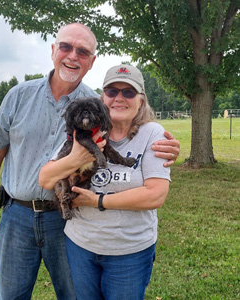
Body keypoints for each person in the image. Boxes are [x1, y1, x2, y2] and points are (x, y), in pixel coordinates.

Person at [0, 22, 179, 300]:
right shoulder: (18, 96)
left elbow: (131, 130)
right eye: (66, 47)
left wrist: (169, 147)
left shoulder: (96, 105)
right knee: (9, 294)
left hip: (66, 217)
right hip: (17, 214)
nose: (72, 56)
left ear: (91, 62)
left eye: (82, 51)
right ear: (53, 50)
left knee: (72, 294)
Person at [39, 64, 172, 300]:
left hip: (129, 251)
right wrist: (76, 158)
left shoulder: (153, 134)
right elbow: (46, 178)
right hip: (80, 246)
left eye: (128, 92)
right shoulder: (83, 132)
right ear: (102, 99)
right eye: (112, 91)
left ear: (140, 100)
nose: (119, 98)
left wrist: (97, 200)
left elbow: (155, 195)